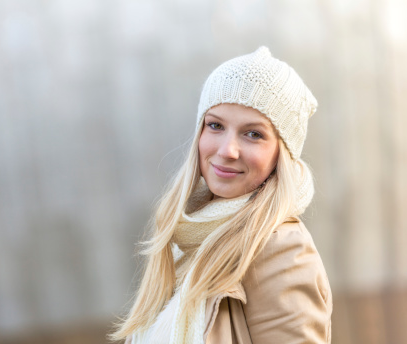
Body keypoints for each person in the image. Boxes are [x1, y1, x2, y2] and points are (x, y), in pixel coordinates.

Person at [110, 46, 332, 344]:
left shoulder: (280, 250)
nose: (227, 150)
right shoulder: (187, 237)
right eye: (215, 125)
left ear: (283, 153)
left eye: (253, 134)